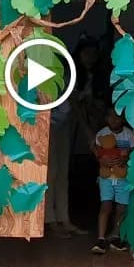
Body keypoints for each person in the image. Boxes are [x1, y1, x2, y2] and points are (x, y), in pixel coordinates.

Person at [90, 109, 134, 255]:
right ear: (106, 118)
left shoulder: (129, 134)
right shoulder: (101, 134)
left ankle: (115, 236)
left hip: (123, 177)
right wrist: (102, 160)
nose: (114, 120)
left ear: (123, 119)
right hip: (106, 178)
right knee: (106, 206)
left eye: (118, 117)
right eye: (111, 117)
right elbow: (97, 153)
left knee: (122, 208)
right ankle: (101, 238)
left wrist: (125, 159)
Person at [44, 97, 87, 238]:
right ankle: (50, 219)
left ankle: (64, 218)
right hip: (46, 120)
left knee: (63, 172)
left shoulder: (68, 76)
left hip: (64, 120)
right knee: (51, 172)